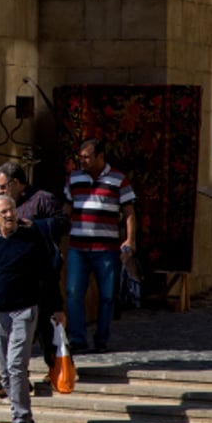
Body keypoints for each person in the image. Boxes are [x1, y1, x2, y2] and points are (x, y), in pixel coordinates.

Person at [0, 194, 65, 423]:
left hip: (24, 310)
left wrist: (57, 307)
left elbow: (48, 276)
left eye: (12, 210)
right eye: (4, 212)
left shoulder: (31, 240)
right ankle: (21, 418)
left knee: (16, 366)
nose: (10, 215)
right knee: (4, 371)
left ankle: (22, 420)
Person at [63, 138, 135, 354]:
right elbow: (67, 207)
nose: (82, 161)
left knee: (107, 295)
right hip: (78, 247)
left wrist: (130, 240)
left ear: (100, 157)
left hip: (106, 248)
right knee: (73, 292)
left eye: (87, 157)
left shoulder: (118, 180)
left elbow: (129, 212)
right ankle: (77, 338)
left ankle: (102, 338)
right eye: (81, 157)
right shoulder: (74, 178)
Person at [0, 161, 69, 368]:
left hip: (42, 272)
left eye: (3, 186)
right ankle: (18, 375)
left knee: (47, 321)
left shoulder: (42, 199)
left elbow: (63, 223)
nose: (0, 191)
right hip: (15, 274)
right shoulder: (5, 206)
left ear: (16, 183)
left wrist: (35, 226)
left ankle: (55, 367)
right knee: (15, 329)